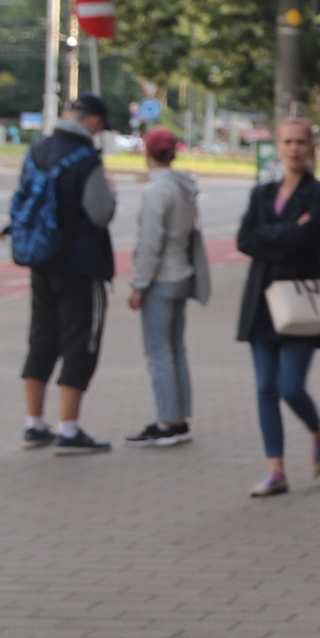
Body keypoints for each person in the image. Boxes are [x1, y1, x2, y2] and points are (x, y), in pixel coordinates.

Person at [236, 117, 320, 497]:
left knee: (290, 387)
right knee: (265, 388)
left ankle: (317, 431)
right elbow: (244, 239)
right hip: (261, 299)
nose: (294, 148)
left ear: (312, 148)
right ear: (278, 147)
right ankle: (275, 470)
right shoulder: (261, 193)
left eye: (301, 142)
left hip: (300, 301)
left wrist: (272, 234)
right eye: (287, 142)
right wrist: (287, 233)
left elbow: (310, 240)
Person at [19, 92, 119, 454]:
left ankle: (34, 424)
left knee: (42, 336)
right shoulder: (86, 159)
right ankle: (69, 429)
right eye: (100, 127)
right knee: (81, 341)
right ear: (92, 121)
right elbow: (100, 213)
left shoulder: (37, 149)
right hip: (81, 265)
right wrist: (111, 191)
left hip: (41, 259)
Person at [123, 127, 209, 448]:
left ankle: (166, 422)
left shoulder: (157, 190)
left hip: (161, 278)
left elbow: (150, 242)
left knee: (158, 352)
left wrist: (139, 284)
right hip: (182, 274)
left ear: (147, 153)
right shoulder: (184, 187)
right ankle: (181, 417)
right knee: (176, 348)